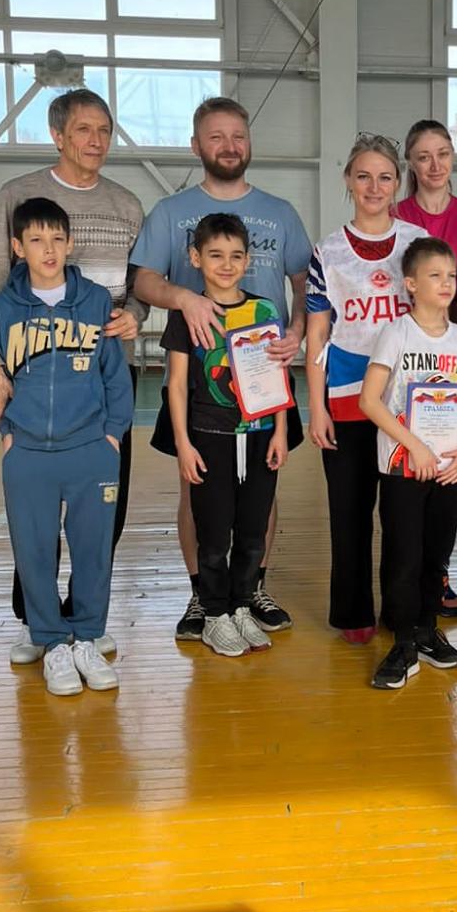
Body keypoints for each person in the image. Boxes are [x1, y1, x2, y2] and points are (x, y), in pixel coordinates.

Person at [0, 88, 144, 666]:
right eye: (84, 129)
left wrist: (137, 315)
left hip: (101, 369)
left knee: (101, 516)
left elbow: (140, 283)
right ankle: (38, 623)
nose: (96, 140)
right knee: (36, 524)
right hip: (34, 370)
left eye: (104, 130)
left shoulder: (126, 204)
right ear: (58, 135)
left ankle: (86, 622)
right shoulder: (17, 195)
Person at [130, 97, 311, 642]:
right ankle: (202, 595)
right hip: (201, 392)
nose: (229, 146)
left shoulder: (281, 212)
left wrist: (297, 332)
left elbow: (305, 284)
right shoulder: (170, 212)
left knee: (262, 493)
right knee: (197, 492)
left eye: (237, 135)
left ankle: (250, 591)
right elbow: (143, 280)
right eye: (216, 136)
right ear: (196, 146)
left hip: (264, 382)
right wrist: (185, 299)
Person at [0, 198, 134, 697]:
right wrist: (7, 434)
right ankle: (51, 643)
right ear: (17, 247)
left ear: (70, 244)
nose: (47, 249)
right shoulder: (1, 309)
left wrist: (113, 434)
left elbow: (115, 374)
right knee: (33, 552)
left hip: (91, 446)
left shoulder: (95, 302)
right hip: (27, 451)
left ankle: (87, 638)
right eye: (35, 240)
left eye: (55, 239)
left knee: (93, 550)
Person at [305, 135, 428, 644]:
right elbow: (317, 334)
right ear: (348, 181)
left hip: (407, 401)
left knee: (404, 518)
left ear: (398, 183)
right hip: (347, 399)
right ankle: (353, 611)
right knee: (350, 512)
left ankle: (403, 610)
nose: (374, 187)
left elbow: (434, 319)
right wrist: (316, 407)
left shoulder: (417, 242)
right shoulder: (327, 251)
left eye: (384, 177)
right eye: (363, 176)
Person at [162, 214, 288, 658]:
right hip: (208, 437)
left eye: (236, 255)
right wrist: (183, 443)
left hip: (260, 436)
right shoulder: (187, 314)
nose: (227, 264)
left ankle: (240, 607)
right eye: (215, 255)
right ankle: (214, 614)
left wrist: (280, 432)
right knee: (214, 534)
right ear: (196, 258)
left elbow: (276, 376)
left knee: (252, 531)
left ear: (248, 260)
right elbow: (178, 385)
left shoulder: (264, 311)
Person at [358, 236, 457, 689]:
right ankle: (403, 642)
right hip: (403, 465)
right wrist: (415, 446)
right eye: (435, 275)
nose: (446, 283)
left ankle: (427, 631)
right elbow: (370, 401)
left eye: (451, 275)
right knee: (404, 555)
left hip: (450, 467)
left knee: (436, 555)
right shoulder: (397, 333)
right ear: (410, 283)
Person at [392, 118, 457, 618]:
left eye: (442, 153)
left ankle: (437, 574)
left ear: (453, 157)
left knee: (446, 474)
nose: (434, 164)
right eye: (423, 156)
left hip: (452, 361)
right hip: (406, 363)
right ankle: (403, 588)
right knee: (408, 484)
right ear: (410, 162)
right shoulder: (396, 215)